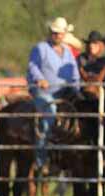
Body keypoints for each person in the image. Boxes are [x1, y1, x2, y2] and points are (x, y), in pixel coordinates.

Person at [26, 17, 80, 170]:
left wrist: (77, 88)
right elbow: (33, 66)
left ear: (64, 34)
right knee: (49, 113)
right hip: (43, 91)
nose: (57, 35)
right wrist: (40, 79)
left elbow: (75, 73)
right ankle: (41, 159)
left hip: (64, 92)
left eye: (59, 33)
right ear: (50, 32)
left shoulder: (68, 52)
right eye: (54, 32)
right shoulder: (41, 48)